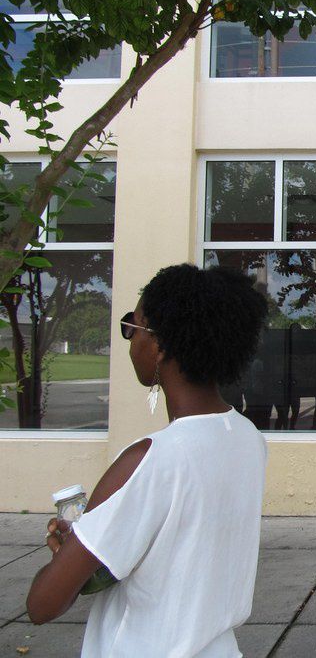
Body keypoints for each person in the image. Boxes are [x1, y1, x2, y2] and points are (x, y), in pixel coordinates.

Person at [26, 264, 268, 658]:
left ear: (160, 344)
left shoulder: (149, 460)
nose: (130, 340)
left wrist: (64, 554)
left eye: (132, 327)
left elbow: (43, 604)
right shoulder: (247, 437)